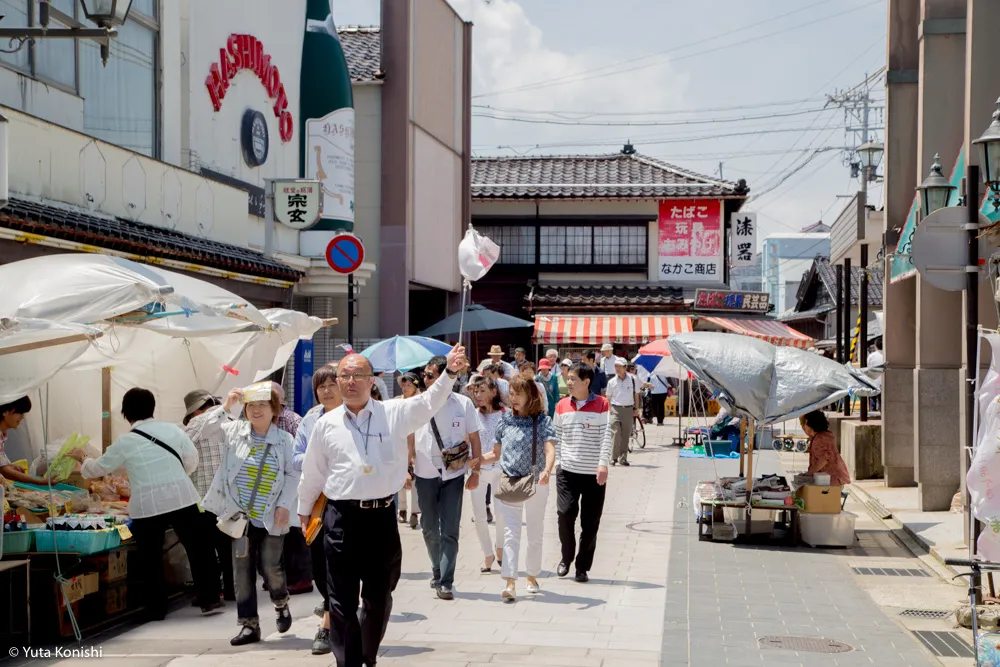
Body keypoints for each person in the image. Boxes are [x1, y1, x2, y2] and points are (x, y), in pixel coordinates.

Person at [297, 344, 468, 667]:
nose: (350, 381)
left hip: (381, 518)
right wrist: (304, 509)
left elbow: (429, 402)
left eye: (357, 375)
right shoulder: (326, 423)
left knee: (378, 597)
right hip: (340, 518)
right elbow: (313, 472)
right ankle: (348, 662)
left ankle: (367, 655)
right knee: (341, 600)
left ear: (371, 380)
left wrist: (450, 372)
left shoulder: (395, 413)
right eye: (344, 376)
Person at [66, 388, 220, 620]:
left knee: (150, 557)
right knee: (198, 549)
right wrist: (176, 476)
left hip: (148, 505)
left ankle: (156, 609)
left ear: (126, 413)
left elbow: (99, 468)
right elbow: (191, 460)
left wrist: (82, 457)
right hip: (182, 497)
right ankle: (209, 598)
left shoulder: (125, 442)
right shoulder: (173, 430)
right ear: (152, 408)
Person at [202, 384, 300, 646]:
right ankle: (249, 625)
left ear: (274, 409)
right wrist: (226, 405)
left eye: (262, 405)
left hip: (271, 516)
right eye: (251, 406)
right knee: (242, 572)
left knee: (271, 567)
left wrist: (284, 505)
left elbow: (293, 474)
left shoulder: (284, 440)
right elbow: (206, 430)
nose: (256, 410)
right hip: (240, 518)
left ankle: (280, 602)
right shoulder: (235, 430)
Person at [411, 355, 482, 600]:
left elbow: (474, 438)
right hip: (424, 472)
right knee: (429, 527)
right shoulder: (418, 403)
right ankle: (436, 567)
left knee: (450, 529)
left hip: (454, 474)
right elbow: (407, 435)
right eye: (424, 375)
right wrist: (406, 465)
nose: (425, 379)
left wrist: (476, 472)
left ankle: (446, 581)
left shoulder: (463, 404)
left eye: (430, 375)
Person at [482, 377, 556, 602]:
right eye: (511, 394)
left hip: (536, 481)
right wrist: (476, 461)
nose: (513, 398)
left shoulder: (543, 421)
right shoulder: (505, 421)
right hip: (510, 481)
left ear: (531, 395)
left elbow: (550, 450)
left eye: (518, 394)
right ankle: (510, 582)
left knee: (534, 531)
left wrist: (547, 470)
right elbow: (496, 454)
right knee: (510, 533)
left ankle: (531, 576)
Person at [293, 364, 342, 655]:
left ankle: (328, 624)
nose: (326, 391)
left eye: (331, 385)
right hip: (316, 501)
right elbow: (296, 457)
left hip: (347, 499)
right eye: (321, 387)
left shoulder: (354, 415)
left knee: (339, 561)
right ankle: (331, 607)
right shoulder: (310, 419)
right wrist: (318, 461)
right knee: (318, 561)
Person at [554, 363, 611, 583]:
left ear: (586, 382)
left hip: (593, 474)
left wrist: (603, 464)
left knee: (590, 522)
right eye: (567, 378)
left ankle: (582, 567)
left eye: (573, 379)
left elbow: (606, 436)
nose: (568, 382)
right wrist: (558, 463)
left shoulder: (602, 404)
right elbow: (557, 435)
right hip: (567, 471)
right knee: (565, 514)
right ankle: (566, 557)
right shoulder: (561, 405)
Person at [182, 390, 235, 603]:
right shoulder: (232, 419)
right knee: (228, 545)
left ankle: (212, 592)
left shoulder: (197, 422)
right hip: (231, 496)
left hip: (205, 497)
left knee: (206, 548)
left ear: (195, 410)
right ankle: (232, 589)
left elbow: (179, 450)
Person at [268, 381, 312, 596]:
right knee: (278, 533)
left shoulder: (294, 420)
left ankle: (302, 578)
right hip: (270, 486)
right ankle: (280, 577)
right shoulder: (262, 422)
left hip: (293, 482)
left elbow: (305, 453)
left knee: (295, 532)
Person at [466, 374, 505, 572]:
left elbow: (503, 449)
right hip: (477, 471)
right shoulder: (472, 414)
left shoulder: (506, 415)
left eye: (482, 390)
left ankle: (500, 548)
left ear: (494, 392)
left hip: (500, 470)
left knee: (501, 514)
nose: (478, 395)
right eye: (476, 391)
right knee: (479, 515)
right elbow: (466, 441)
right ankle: (487, 554)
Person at [0, 396, 52, 485]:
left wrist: (10, 466)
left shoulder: (2, 435)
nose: (22, 417)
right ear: (5, 412)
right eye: (20, 412)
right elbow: (4, 471)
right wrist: (40, 481)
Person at [396, 371, 423, 529]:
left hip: (418, 442)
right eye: (403, 385)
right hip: (400, 442)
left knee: (415, 480)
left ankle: (414, 512)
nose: (405, 388)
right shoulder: (397, 401)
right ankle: (402, 509)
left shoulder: (420, 401)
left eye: (409, 385)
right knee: (400, 477)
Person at [801, 410, 850, 486]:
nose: (804, 426)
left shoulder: (821, 439)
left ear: (812, 425)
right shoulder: (821, 435)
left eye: (806, 424)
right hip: (826, 477)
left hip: (830, 478)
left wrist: (809, 473)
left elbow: (823, 460)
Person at [606, 358, 640, 466]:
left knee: (625, 435)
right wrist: (609, 410)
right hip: (615, 409)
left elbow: (636, 395)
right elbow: (608, 397)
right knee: (615, 433)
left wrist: (636, 409)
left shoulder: (633, 379)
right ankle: (613, 458)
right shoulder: (611, 382)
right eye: (616, 366)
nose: (617, 368)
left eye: (619, 366)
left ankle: (623, 458)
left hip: (628, 409)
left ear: (625, 367)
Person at [868, 339, 884, 412]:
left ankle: (873, 410)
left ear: (875, 346)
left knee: (873, 397)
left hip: (874, 381)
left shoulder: (871, 356)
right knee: (882, 400)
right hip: (885, 381)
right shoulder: (887, 355)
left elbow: (869, 369)